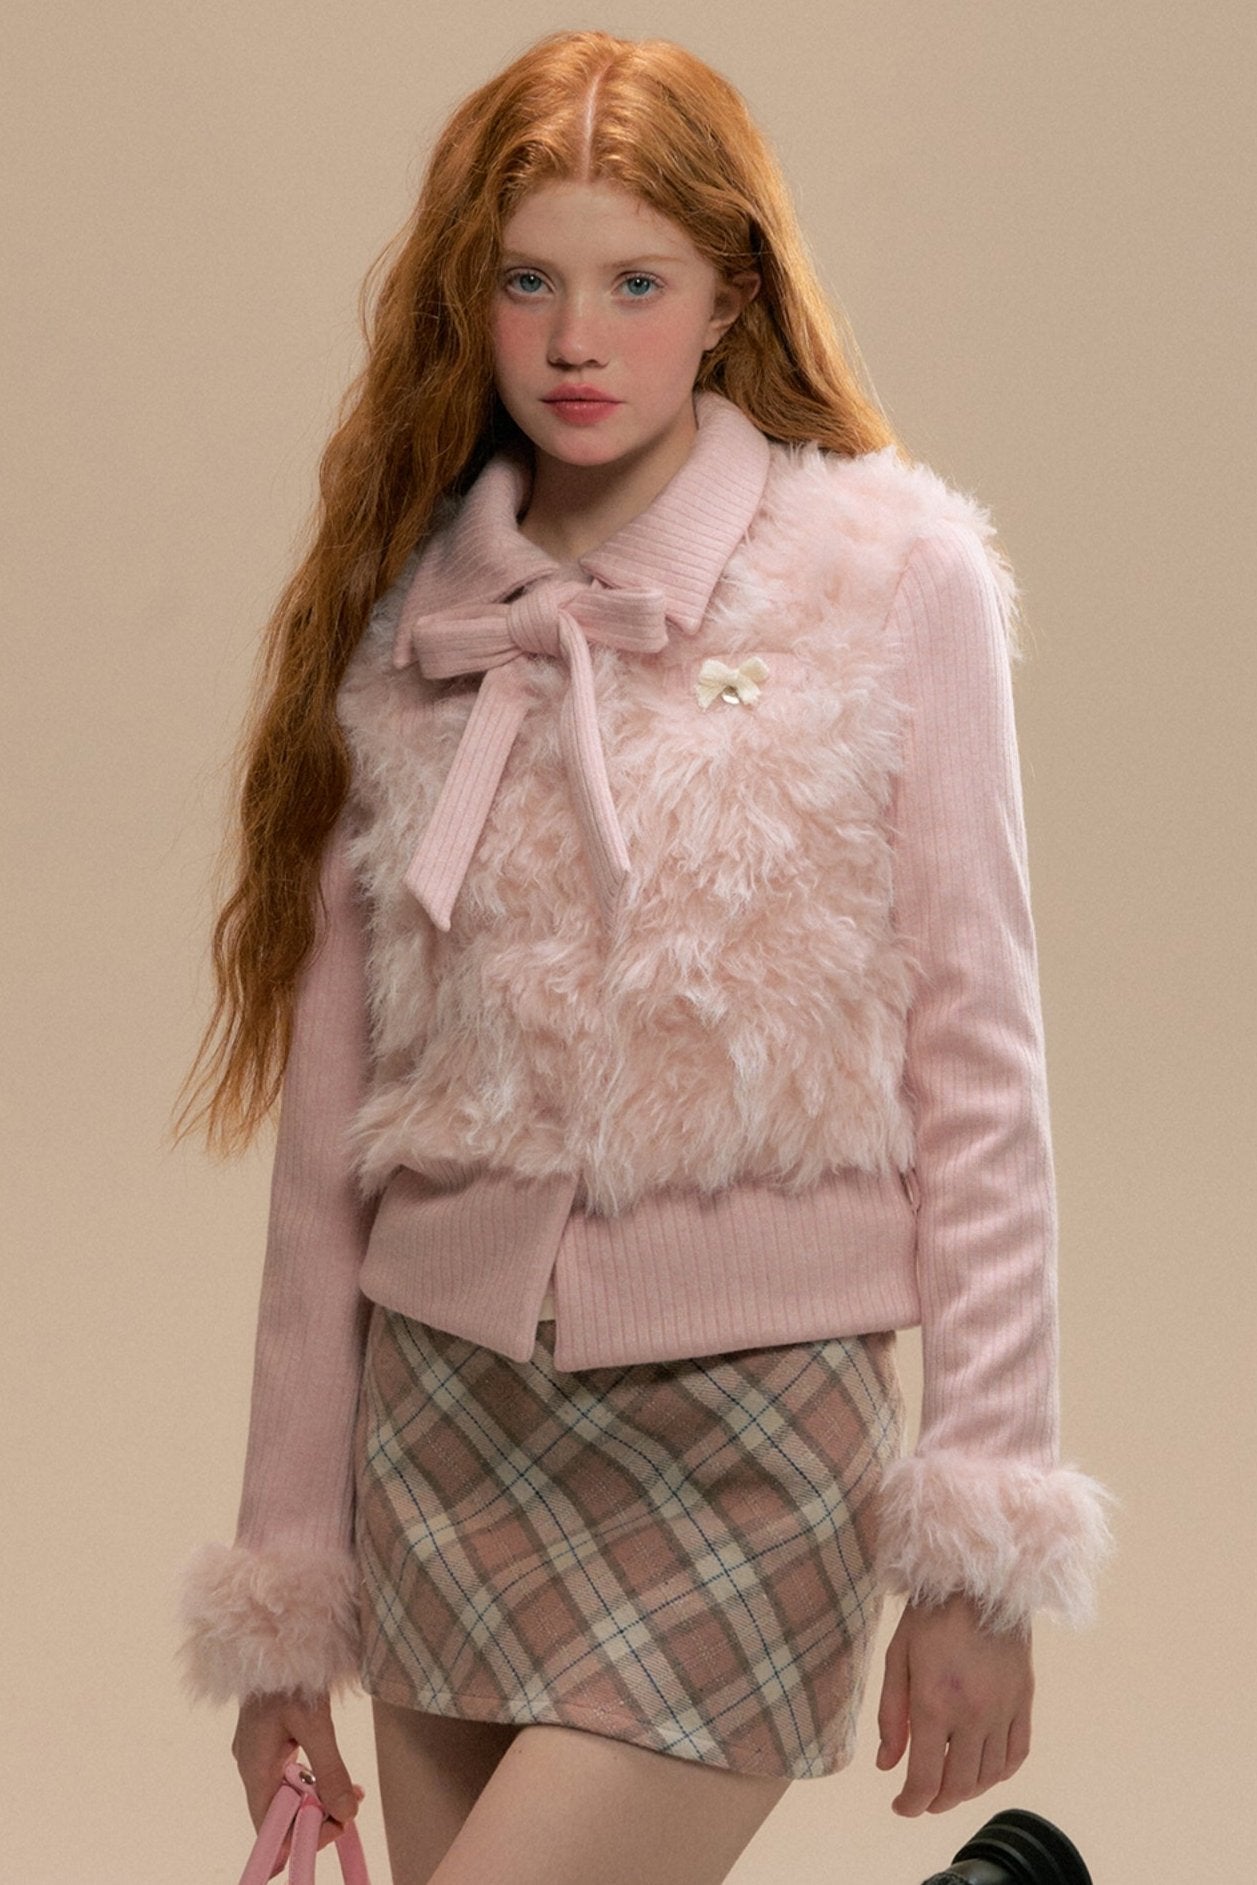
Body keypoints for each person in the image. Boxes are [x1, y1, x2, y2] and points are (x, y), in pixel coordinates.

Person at [173, 29, 1113, 1885]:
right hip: (445, 1431)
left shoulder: (886, 577)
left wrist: (979, 1544)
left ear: (729, 293)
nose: (575, 339)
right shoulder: (413, 626)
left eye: (635, 282)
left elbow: (980, 1064)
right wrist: (286, 1584)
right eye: (528, 281)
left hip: (750, 1428)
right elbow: (324, 1150)